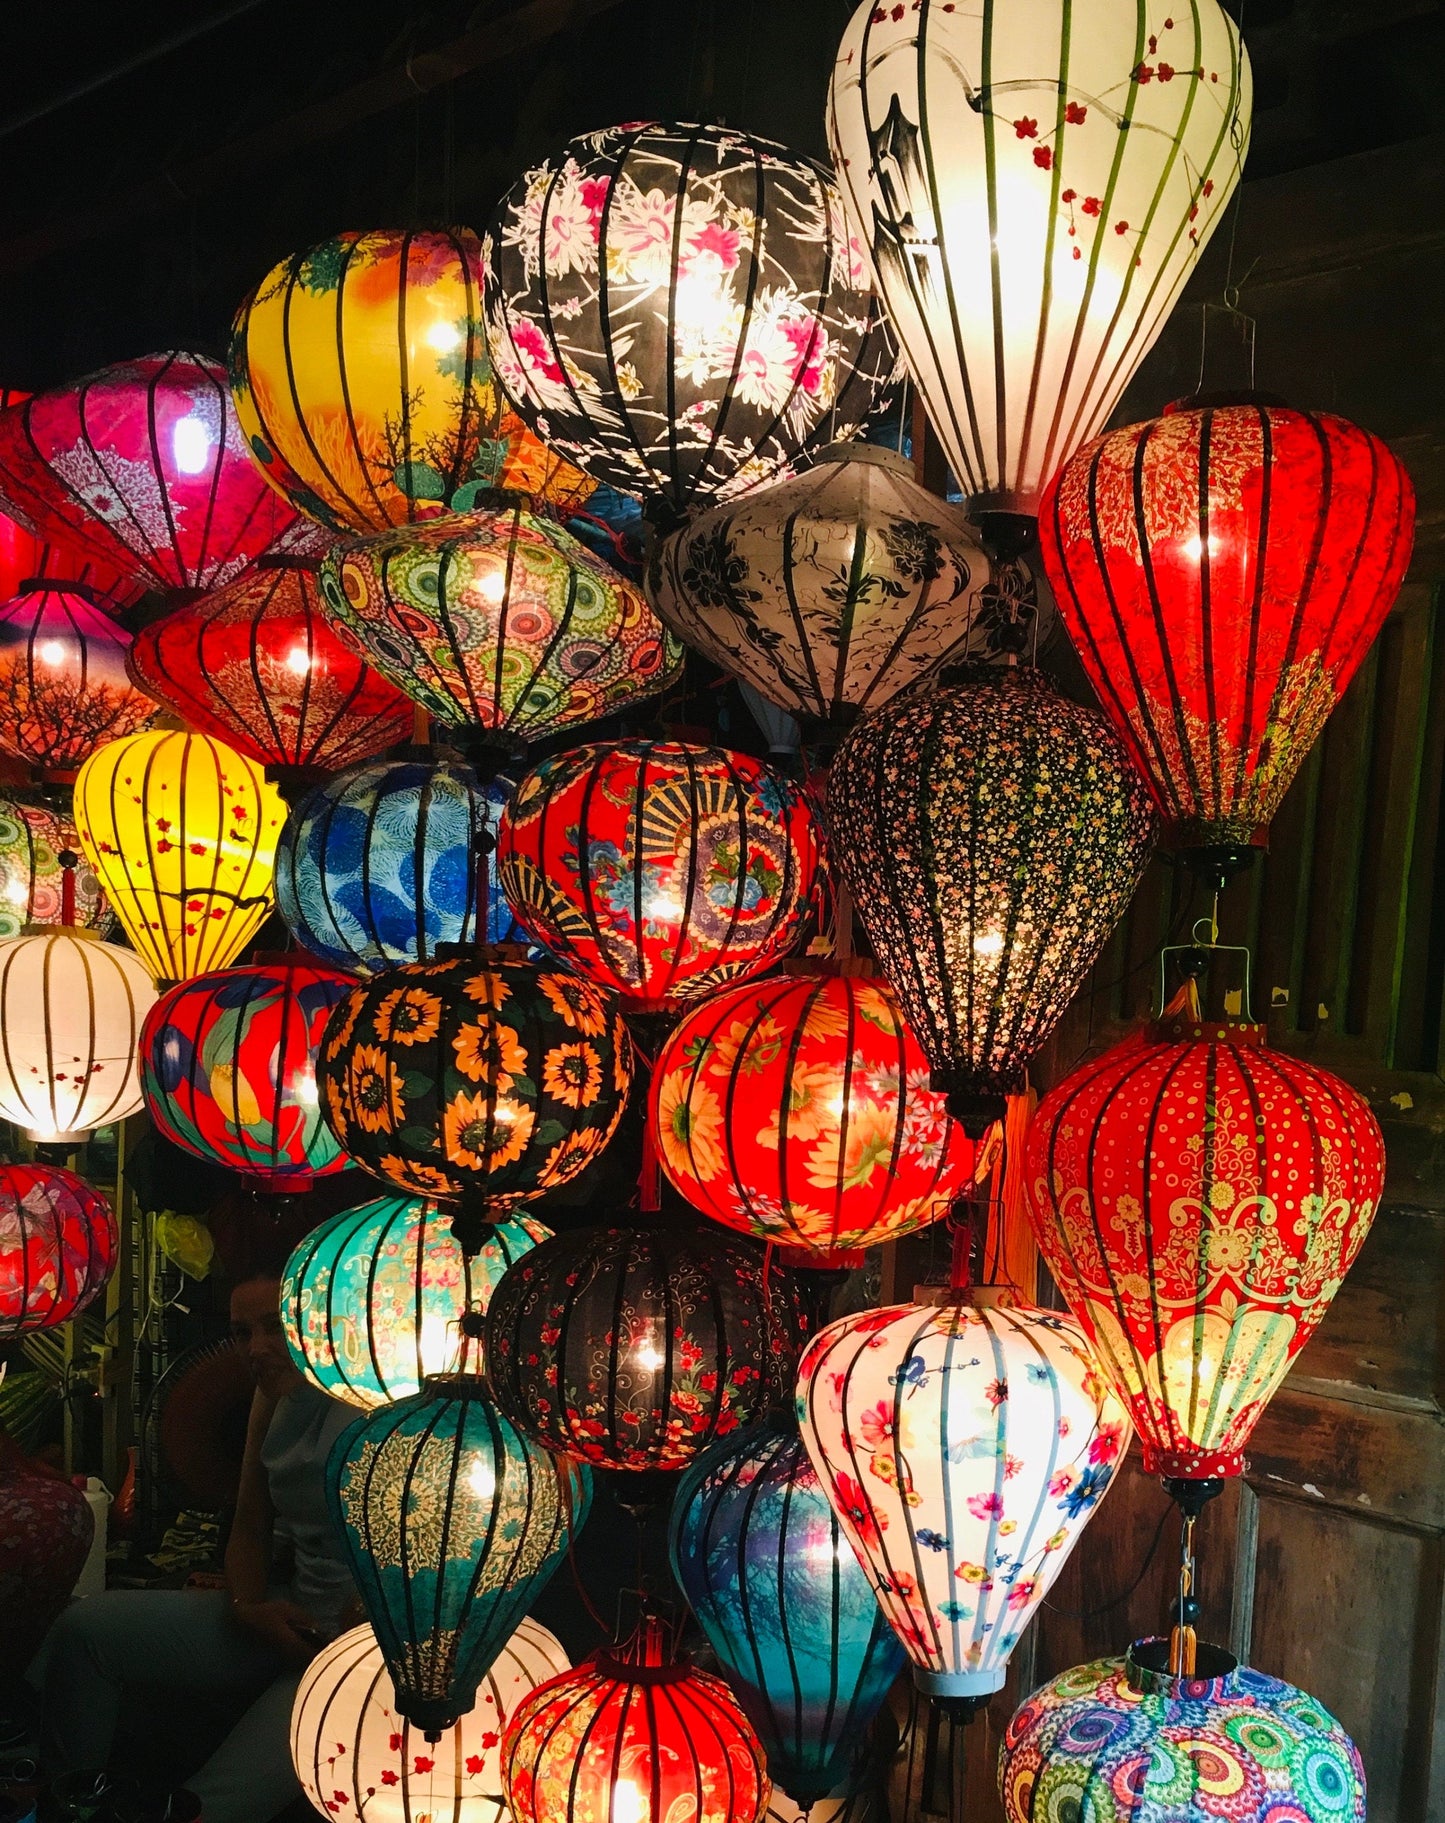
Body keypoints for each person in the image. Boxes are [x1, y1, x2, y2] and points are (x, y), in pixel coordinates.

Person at [32, 1267, 357, 1823]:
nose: (257, 1348)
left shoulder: (381, 1401)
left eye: (276, 1327)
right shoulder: (270, 1396)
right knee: (83, 1631)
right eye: (241, 1332)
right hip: (287, 1614)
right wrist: (247, 1607)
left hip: (361, 1648)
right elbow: (250, 1521)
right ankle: (68, 1801)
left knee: (209, 1806)